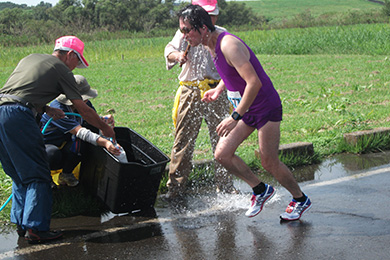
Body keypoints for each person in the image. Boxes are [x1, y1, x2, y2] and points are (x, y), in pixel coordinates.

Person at [177, 5, 312, 221]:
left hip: (265, 106)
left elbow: (253, 82)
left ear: (203, 28)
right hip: (247, 107)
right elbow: (231, 71)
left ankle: (299, 198)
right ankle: (260, 190)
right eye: (182, 31)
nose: (184, 37)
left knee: (269, 161)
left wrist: (235, 116)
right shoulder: (208, 44)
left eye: (186, 31)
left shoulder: (228, 44)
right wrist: (219, 89)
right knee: (222, 154)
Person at [0, 36, 115, 243]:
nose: (76, 66)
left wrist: (45, 108)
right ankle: (36, 228)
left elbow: (18, 93)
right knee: (38, 174)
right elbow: (83, 109)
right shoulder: (61, 69)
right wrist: (105, 128)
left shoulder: (30, 58)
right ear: (70, 55)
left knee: (19, 173)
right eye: (77, 61)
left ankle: (21, 225)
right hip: (19, 117)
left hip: (2, 112)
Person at [164, 0, 236, 198]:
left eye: (213, 15)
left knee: (222, 138)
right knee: (183, 141)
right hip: (191, 90)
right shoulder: (185, 31)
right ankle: (176, 189)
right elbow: (168, 50)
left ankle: (226, 186)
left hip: (216, 91)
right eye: (207, 14)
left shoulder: (222, 34)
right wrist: (178, 55)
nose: (210, 19)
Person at [41, 75, 120, 187]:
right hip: (47, 146)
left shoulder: (84, 104)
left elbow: (90, 118)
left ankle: (66, 174)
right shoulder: (57, 110)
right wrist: (106, 143)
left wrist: (102, 120)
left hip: (66, 140)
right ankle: (44, 178)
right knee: (52, 154)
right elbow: (80, 131)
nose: (87, 100)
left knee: (83, 142)